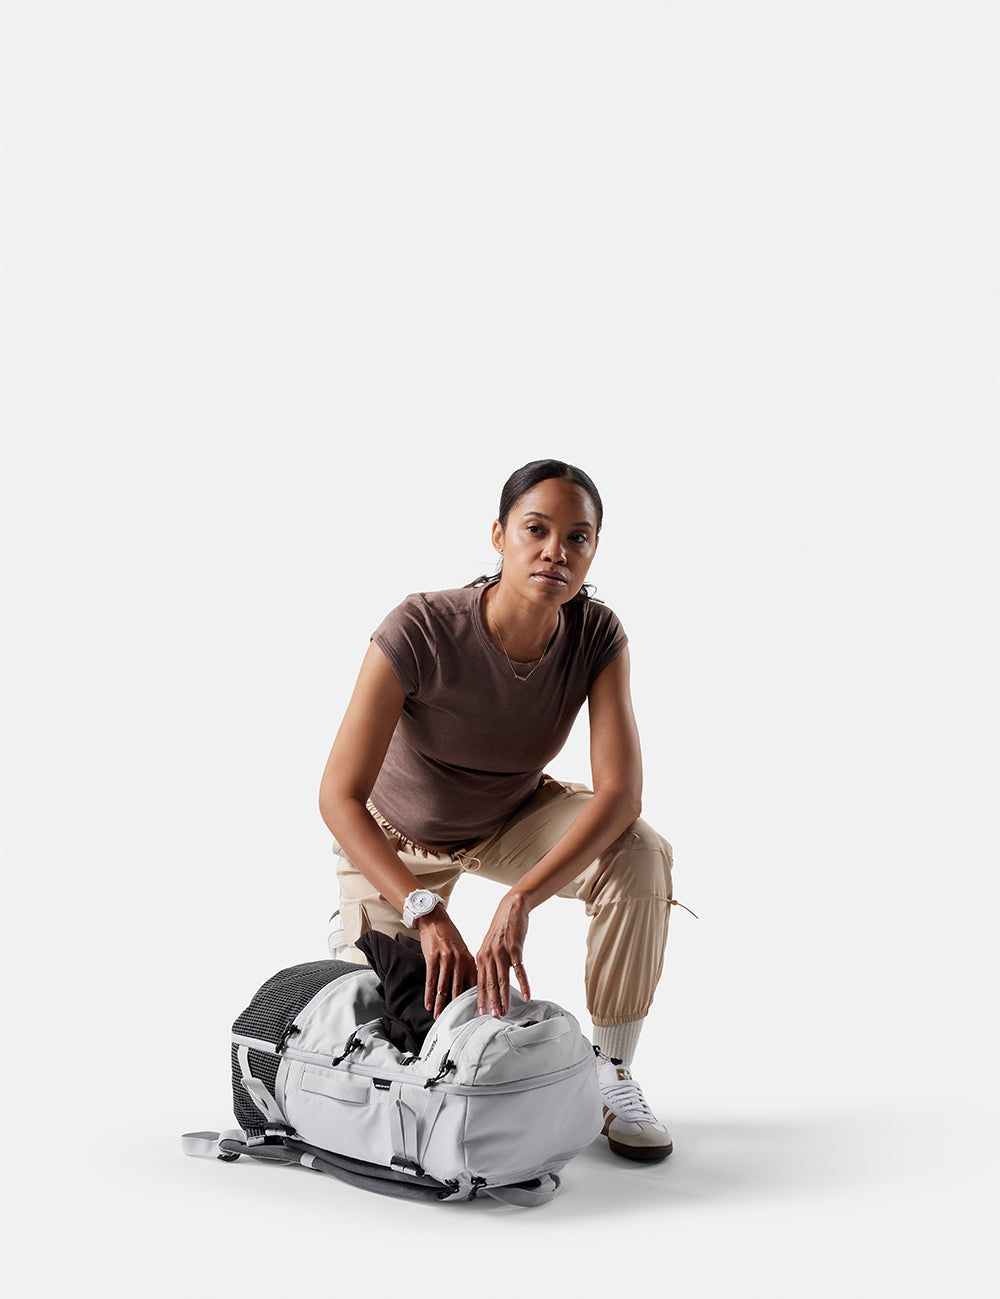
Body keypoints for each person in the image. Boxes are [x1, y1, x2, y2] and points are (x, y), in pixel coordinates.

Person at [318, 458, 686, 1161]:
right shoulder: (421, 626)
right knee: (413, 1036)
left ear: (594, 550)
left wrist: (522, 897)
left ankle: (610, 1071)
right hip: (396, 839)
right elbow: (337, 795)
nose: (556, 551)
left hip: (507, 819)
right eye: (536, 530)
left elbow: (620, 793)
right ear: (499, 536)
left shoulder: (596, 635)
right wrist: (424, 911)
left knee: (639, 850)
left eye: (577, 537)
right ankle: (360, 925)